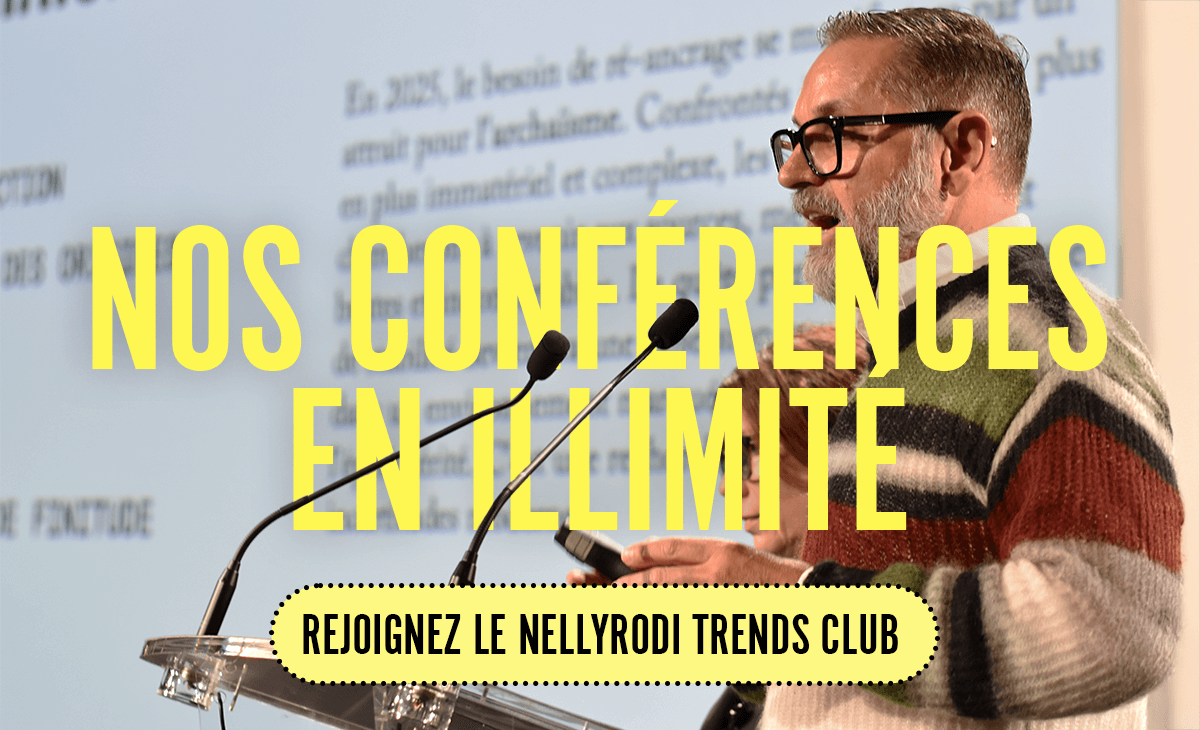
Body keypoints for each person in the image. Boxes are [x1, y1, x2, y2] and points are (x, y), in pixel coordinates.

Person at [612, 8, 1183, 729]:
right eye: (794, 141)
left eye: (830, 136)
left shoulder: (1050, 338)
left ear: (958, 151)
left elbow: (1110, 626)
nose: (792, 174)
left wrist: (798, 610)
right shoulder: (906, 351)